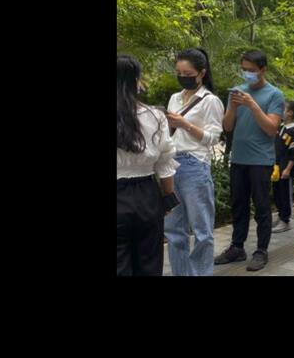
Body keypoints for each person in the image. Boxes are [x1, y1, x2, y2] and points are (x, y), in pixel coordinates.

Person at [215, 50, 285, 272]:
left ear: (263, 70)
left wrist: (252, 105)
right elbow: (227, 127)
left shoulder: (275, 95)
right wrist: (234, 106)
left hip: (261, 161)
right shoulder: (236, 92)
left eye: (251, 71)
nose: (247, 74)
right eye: (244, 70)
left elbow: (271, 128)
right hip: (239, 158)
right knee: (239, 204)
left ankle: (261, 250)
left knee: (262, 206)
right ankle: (237, 247)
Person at [164, 48, 225, 276]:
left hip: (194, 165)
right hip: (170, 165)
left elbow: (213, 138)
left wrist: (185, 124)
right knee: (173, 230)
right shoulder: (174, 98)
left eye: (187, 72)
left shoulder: (211, 101)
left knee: (202, 230)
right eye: (179, 72)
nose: (182, 76)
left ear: (201, 73)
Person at [117, 54, 180, 276]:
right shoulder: (155, 116)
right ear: (136, 81)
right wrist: (168, 198)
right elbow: (165, 163)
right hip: (147, 195)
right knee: (149, 262)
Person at [271, 101, 294, 234]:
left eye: (283, 109)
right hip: (276, 167)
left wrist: (288, 169)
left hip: (285, 168)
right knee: (277, 192)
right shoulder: (281, 126)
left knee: (285, 193)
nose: (281, 110)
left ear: (290, 113)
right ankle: (280, 215)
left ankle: (285, 220)